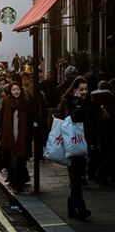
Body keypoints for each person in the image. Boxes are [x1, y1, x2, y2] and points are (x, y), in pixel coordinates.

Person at [59, 76, 93, 220]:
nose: (84, 92)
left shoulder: (89, 102)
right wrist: (78, 104)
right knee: (76, 178)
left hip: (84, 143)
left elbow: (91, 123)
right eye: (81, 90)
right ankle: (81, 208)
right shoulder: (69, 102)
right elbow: (70, 119)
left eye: (86, 89)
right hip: (72, 144)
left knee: (77, 179)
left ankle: (73, 209)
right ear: (75, 90)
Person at [0, 82, 30, 193]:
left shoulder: (25, 104)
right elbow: (2, 121)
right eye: (13, 89)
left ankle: (18, 183)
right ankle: (16, 184)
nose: (16, 91)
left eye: (18, 89)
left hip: (22, 137)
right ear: (10, 92)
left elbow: (30, 121)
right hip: (10, 137)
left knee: (21, 162)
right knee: (14, 161)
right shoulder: (7, 103)